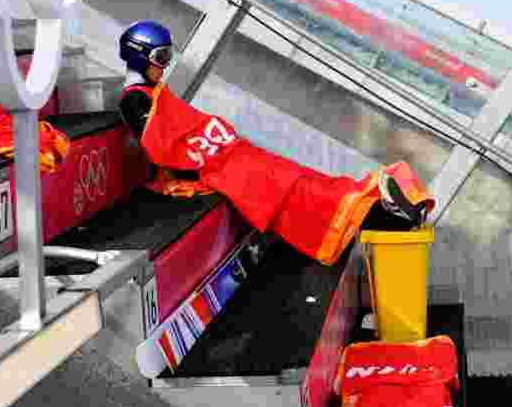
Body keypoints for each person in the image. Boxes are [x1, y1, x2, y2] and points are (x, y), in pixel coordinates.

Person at [117, 19, 433, 265]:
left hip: (233, 156)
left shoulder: (153, 94)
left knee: (303, 180)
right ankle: (387, 215)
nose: (166, 63)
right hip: (224, 166)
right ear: (139, 55)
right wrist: (204, 170)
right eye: (162, 56)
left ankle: (382, 207)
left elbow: (178, 135)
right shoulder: (135, 101)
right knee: (298, 192)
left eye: (169, 55)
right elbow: (166, 150)